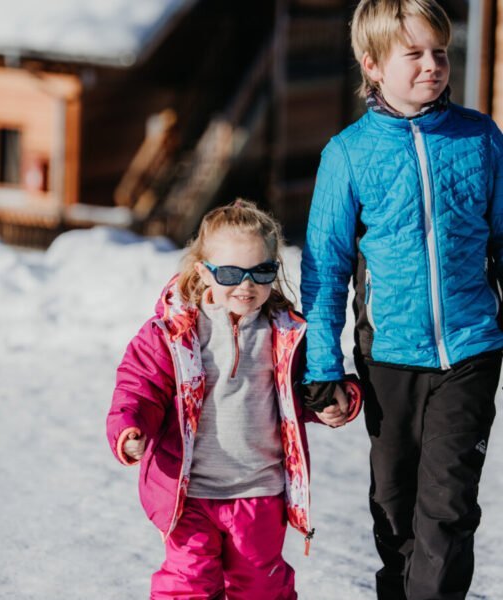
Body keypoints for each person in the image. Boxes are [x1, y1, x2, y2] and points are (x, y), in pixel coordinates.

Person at [300, 1, 503, 598]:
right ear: (372, 65)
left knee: (447, 506)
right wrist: (322, 369)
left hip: (470, 349)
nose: (432, 66)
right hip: (389, 354)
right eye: (412, 54)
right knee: (395, 507)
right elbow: (324, 270)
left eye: (438, 52)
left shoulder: (480, 137)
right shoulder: (348, 154)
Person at [107, 199, 362, 599]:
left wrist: (336, 399)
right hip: (189, 493)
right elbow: (140, 385)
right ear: (203, 273)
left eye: (261, 272)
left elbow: (308, 387)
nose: (247, 285)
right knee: (187, 585)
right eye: (230, 273)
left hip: (259, 492)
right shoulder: (172, 334)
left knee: (260, 586)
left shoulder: (285, 335)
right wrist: (130, 426)